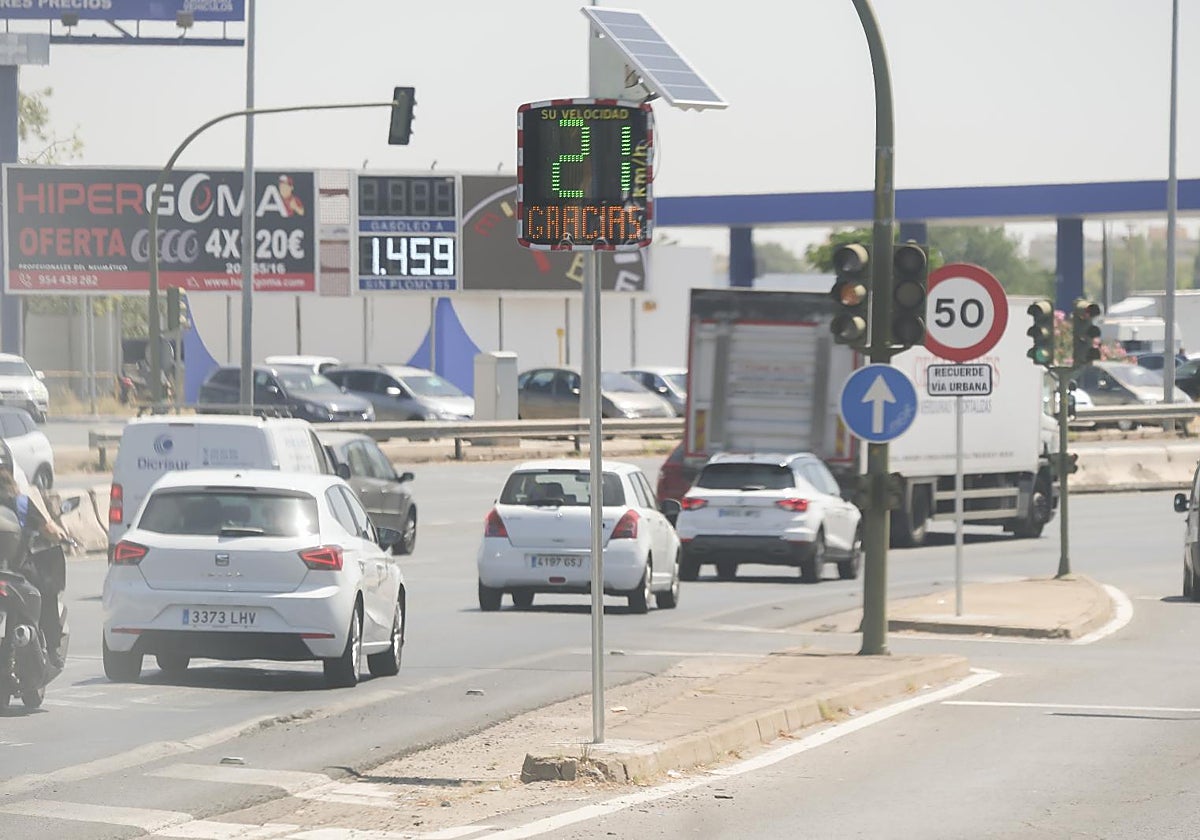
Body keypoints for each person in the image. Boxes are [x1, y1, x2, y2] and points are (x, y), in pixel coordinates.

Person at [0, 468, 66, 666]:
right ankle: (53, 649)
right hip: (17, 570)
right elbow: (51, 531)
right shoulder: (21, 504)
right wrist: (63, 536)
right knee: (47, 592)